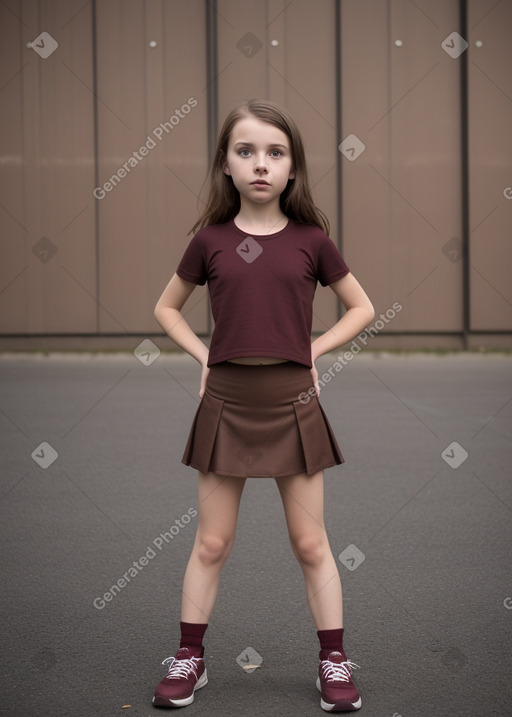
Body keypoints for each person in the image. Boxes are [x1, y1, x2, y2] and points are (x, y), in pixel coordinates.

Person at [152, 99, 375, 712]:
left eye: (275, 153)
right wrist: (205, 356)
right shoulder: (210, 241)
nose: (260, 164)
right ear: (225, 164)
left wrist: (312, 351)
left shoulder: (311, 241)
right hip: (225, 401)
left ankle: (333, 661)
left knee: (310, 543)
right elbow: (165, 308)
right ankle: (189, 657)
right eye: (245, 151)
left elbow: (363, 308)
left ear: (293, 169)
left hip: (292, 401)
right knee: (211, 543)